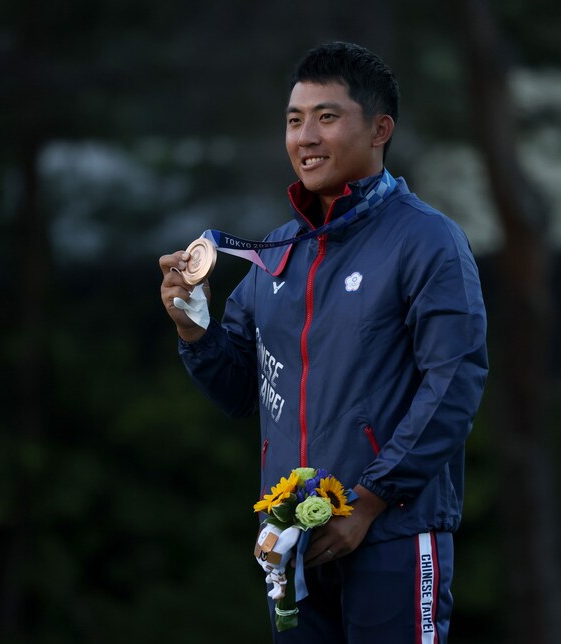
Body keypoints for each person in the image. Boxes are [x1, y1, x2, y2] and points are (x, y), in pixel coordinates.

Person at [159, 41, 488, 644]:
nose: (305, 137)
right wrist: (192, 326)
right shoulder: (278, 252)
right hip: (293, 542)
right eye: (293, 120)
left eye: (327, 117)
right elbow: (238, 391)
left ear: (380, 129)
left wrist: (369, 501)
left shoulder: (429, 241)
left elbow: (455, 382)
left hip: (392, 530)